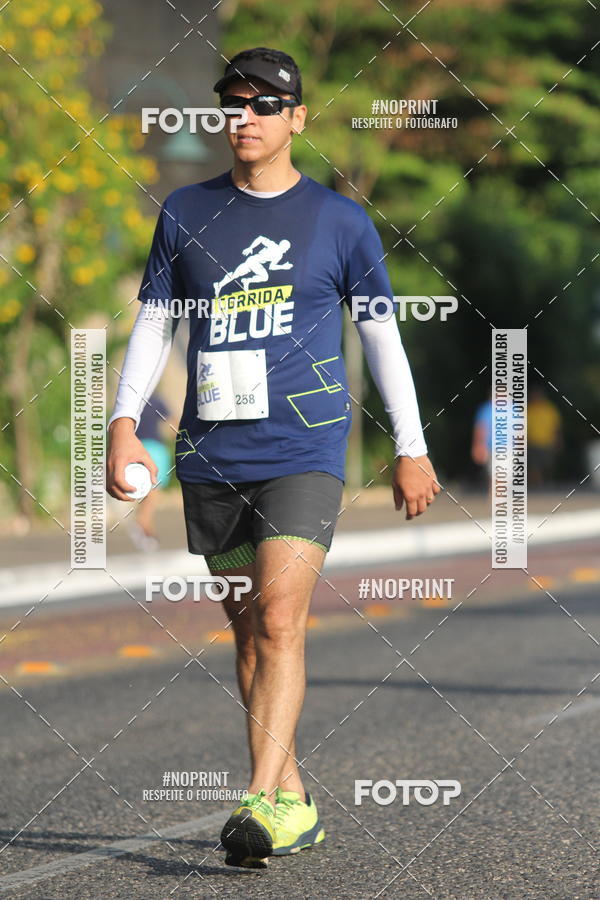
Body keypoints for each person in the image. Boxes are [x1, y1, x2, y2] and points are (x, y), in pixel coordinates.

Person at [106, 46, 440, 869]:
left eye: (263, 105)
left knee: (283, 616)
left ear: (297, 118)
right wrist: (120, 421)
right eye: (233, 103)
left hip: (305, 448)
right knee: (249, 634)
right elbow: (154, 324)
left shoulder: (340, 221)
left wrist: (411, 445)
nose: (244, 117)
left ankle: (256, 802)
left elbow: (381, 337)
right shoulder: (186, 212)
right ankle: (291, 796)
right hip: (213, 452)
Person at [127, 392, 172, 552]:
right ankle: (141, 524)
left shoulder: (131, 400)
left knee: (147, 492)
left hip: (136, 447)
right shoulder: (157, 400)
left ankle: (147, 531)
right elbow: (172, 424)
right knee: (154, 491)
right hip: (154, 448)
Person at [527, 385, 561, 486]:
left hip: (547, 442)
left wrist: (558, 440)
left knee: (547, 465)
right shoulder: (529, 409)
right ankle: (537, 484)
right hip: (532, 442)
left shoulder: (550, 409)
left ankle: (545, 483)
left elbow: (556, 426)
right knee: (534, 466)